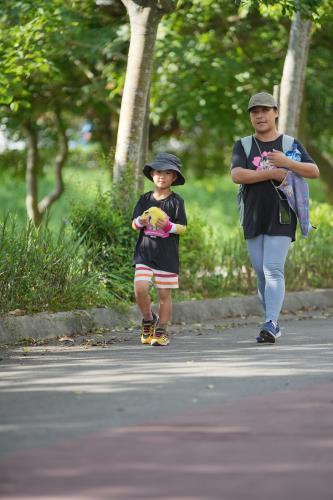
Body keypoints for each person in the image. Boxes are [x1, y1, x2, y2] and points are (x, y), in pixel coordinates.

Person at [231, 92, 319, 343]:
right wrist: (272, 173)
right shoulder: (244, 144)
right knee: (260, 271)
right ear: (251, 116)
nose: (260, 115)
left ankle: (271, 323)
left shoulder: (290, 144)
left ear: (276, 112)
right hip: (253, 214)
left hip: (282, 214)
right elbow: (237, 175)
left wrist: (285, 163)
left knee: (273, 268)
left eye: (265, 110)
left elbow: (313, 171)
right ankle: (270, 318)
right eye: (255, 111)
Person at [131, 153, 187, 346]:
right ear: (152, 174)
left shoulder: (176, 201)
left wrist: (167, 226)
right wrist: (141, 221)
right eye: (158, 171)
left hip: (167, 256)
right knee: (140, 288)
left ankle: (161, 330)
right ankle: (148, 319)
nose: (161, 176)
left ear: (174, 177)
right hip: (145, 254)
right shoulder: (145, 199)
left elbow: (183, 228)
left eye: (167, 172)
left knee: (164, 295)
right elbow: (134, 224)